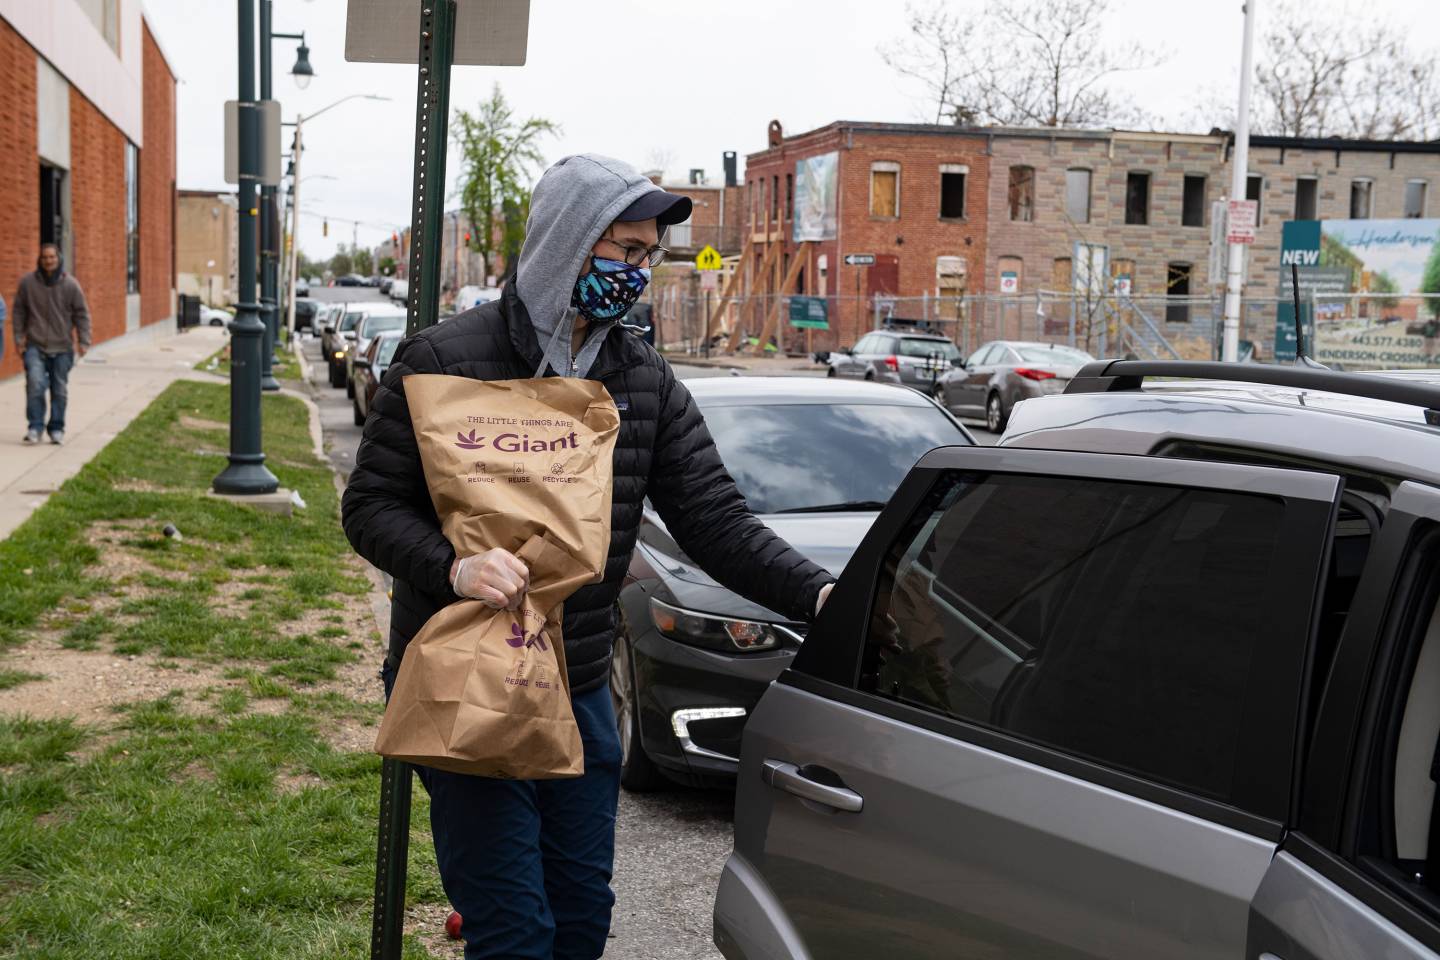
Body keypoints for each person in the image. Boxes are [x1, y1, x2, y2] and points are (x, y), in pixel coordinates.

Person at [342, 154, 835, 960]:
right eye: (623, 250)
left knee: (579, 925)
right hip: (466, 682)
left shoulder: (642, 379)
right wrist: (453, 568)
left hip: (576, 689)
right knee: (515, 934)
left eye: (648, 256)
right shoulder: (442, 358)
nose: (637, 272)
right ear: (568, 245)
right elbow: (368, 508)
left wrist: (819, 594)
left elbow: (715, 519)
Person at [14, 243, 91, 445]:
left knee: (59, 389)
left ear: (59, 259)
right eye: (45, 257)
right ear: (39, 260)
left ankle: (56, 428)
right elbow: (19, 311)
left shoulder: (71, 285)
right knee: (35, 385)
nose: (49, 261)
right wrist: (18, 338)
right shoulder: (28, 283)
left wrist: (84, 340)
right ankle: (35, 427)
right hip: (35, 344)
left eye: (52, 257)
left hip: (63, 346)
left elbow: (81, 314)